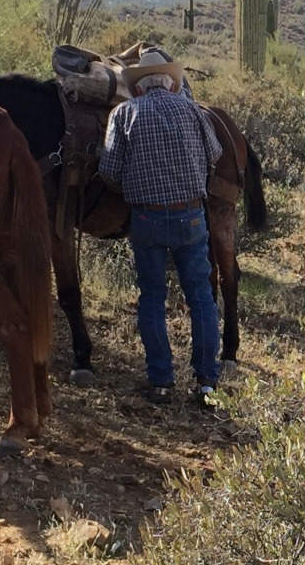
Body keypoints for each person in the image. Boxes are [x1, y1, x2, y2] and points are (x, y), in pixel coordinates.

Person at [97, 46, 224, 406]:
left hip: (147, 217)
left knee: (152, 297)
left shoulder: (124, 113)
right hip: (191, 216)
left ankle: (161, 381)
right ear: (171, 85)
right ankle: (205, 382)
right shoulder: (193, 110)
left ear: (139, 87)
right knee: (200, 296)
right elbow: (214, 154)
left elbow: (108, 171)